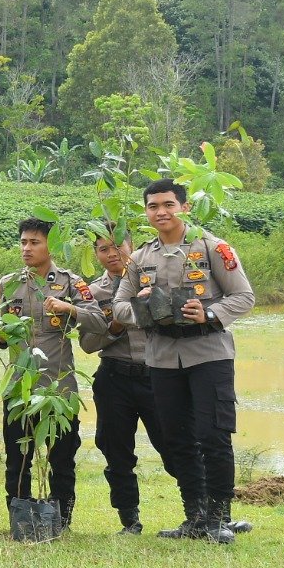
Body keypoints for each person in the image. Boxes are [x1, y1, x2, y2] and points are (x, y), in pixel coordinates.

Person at [113, 179, 256, 545]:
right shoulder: (139, 259)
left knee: (214, 435)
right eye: (153, 206)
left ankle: (219, 518)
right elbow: (119, 307)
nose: (161, 212)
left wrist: (208, 313)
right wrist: (142, 305)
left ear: (184, 207)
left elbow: (244, 297)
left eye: (168, 205)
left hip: (209, 353)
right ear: (146, 211)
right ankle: (195, 517)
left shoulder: (213, 248)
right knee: (177, 439)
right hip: (162, 358)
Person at [0, 217, 104, 530]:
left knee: (62, 461)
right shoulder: (7, 285)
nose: (26, 249)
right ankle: (20, 521)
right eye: (23, 242)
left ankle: (61, 522)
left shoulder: (71, 283)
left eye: (34, 242)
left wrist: (70, 309)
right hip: (20, 388)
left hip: (59, 389)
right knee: (18, 461)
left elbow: (99, 321)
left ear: (50, 245)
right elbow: (1, 339)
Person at [79, 227, 173, 535]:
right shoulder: (93, 294)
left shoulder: (154, 281)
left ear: (133, 247)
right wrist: (115, 327)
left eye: (118, 246)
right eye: (103, 249)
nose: (112, 254)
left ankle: (203, 513)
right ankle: (129, 520)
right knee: (116, 451)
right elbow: (88, 344)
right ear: (96, 254)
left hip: (157, 375)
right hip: (114, 378)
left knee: (175, 444)